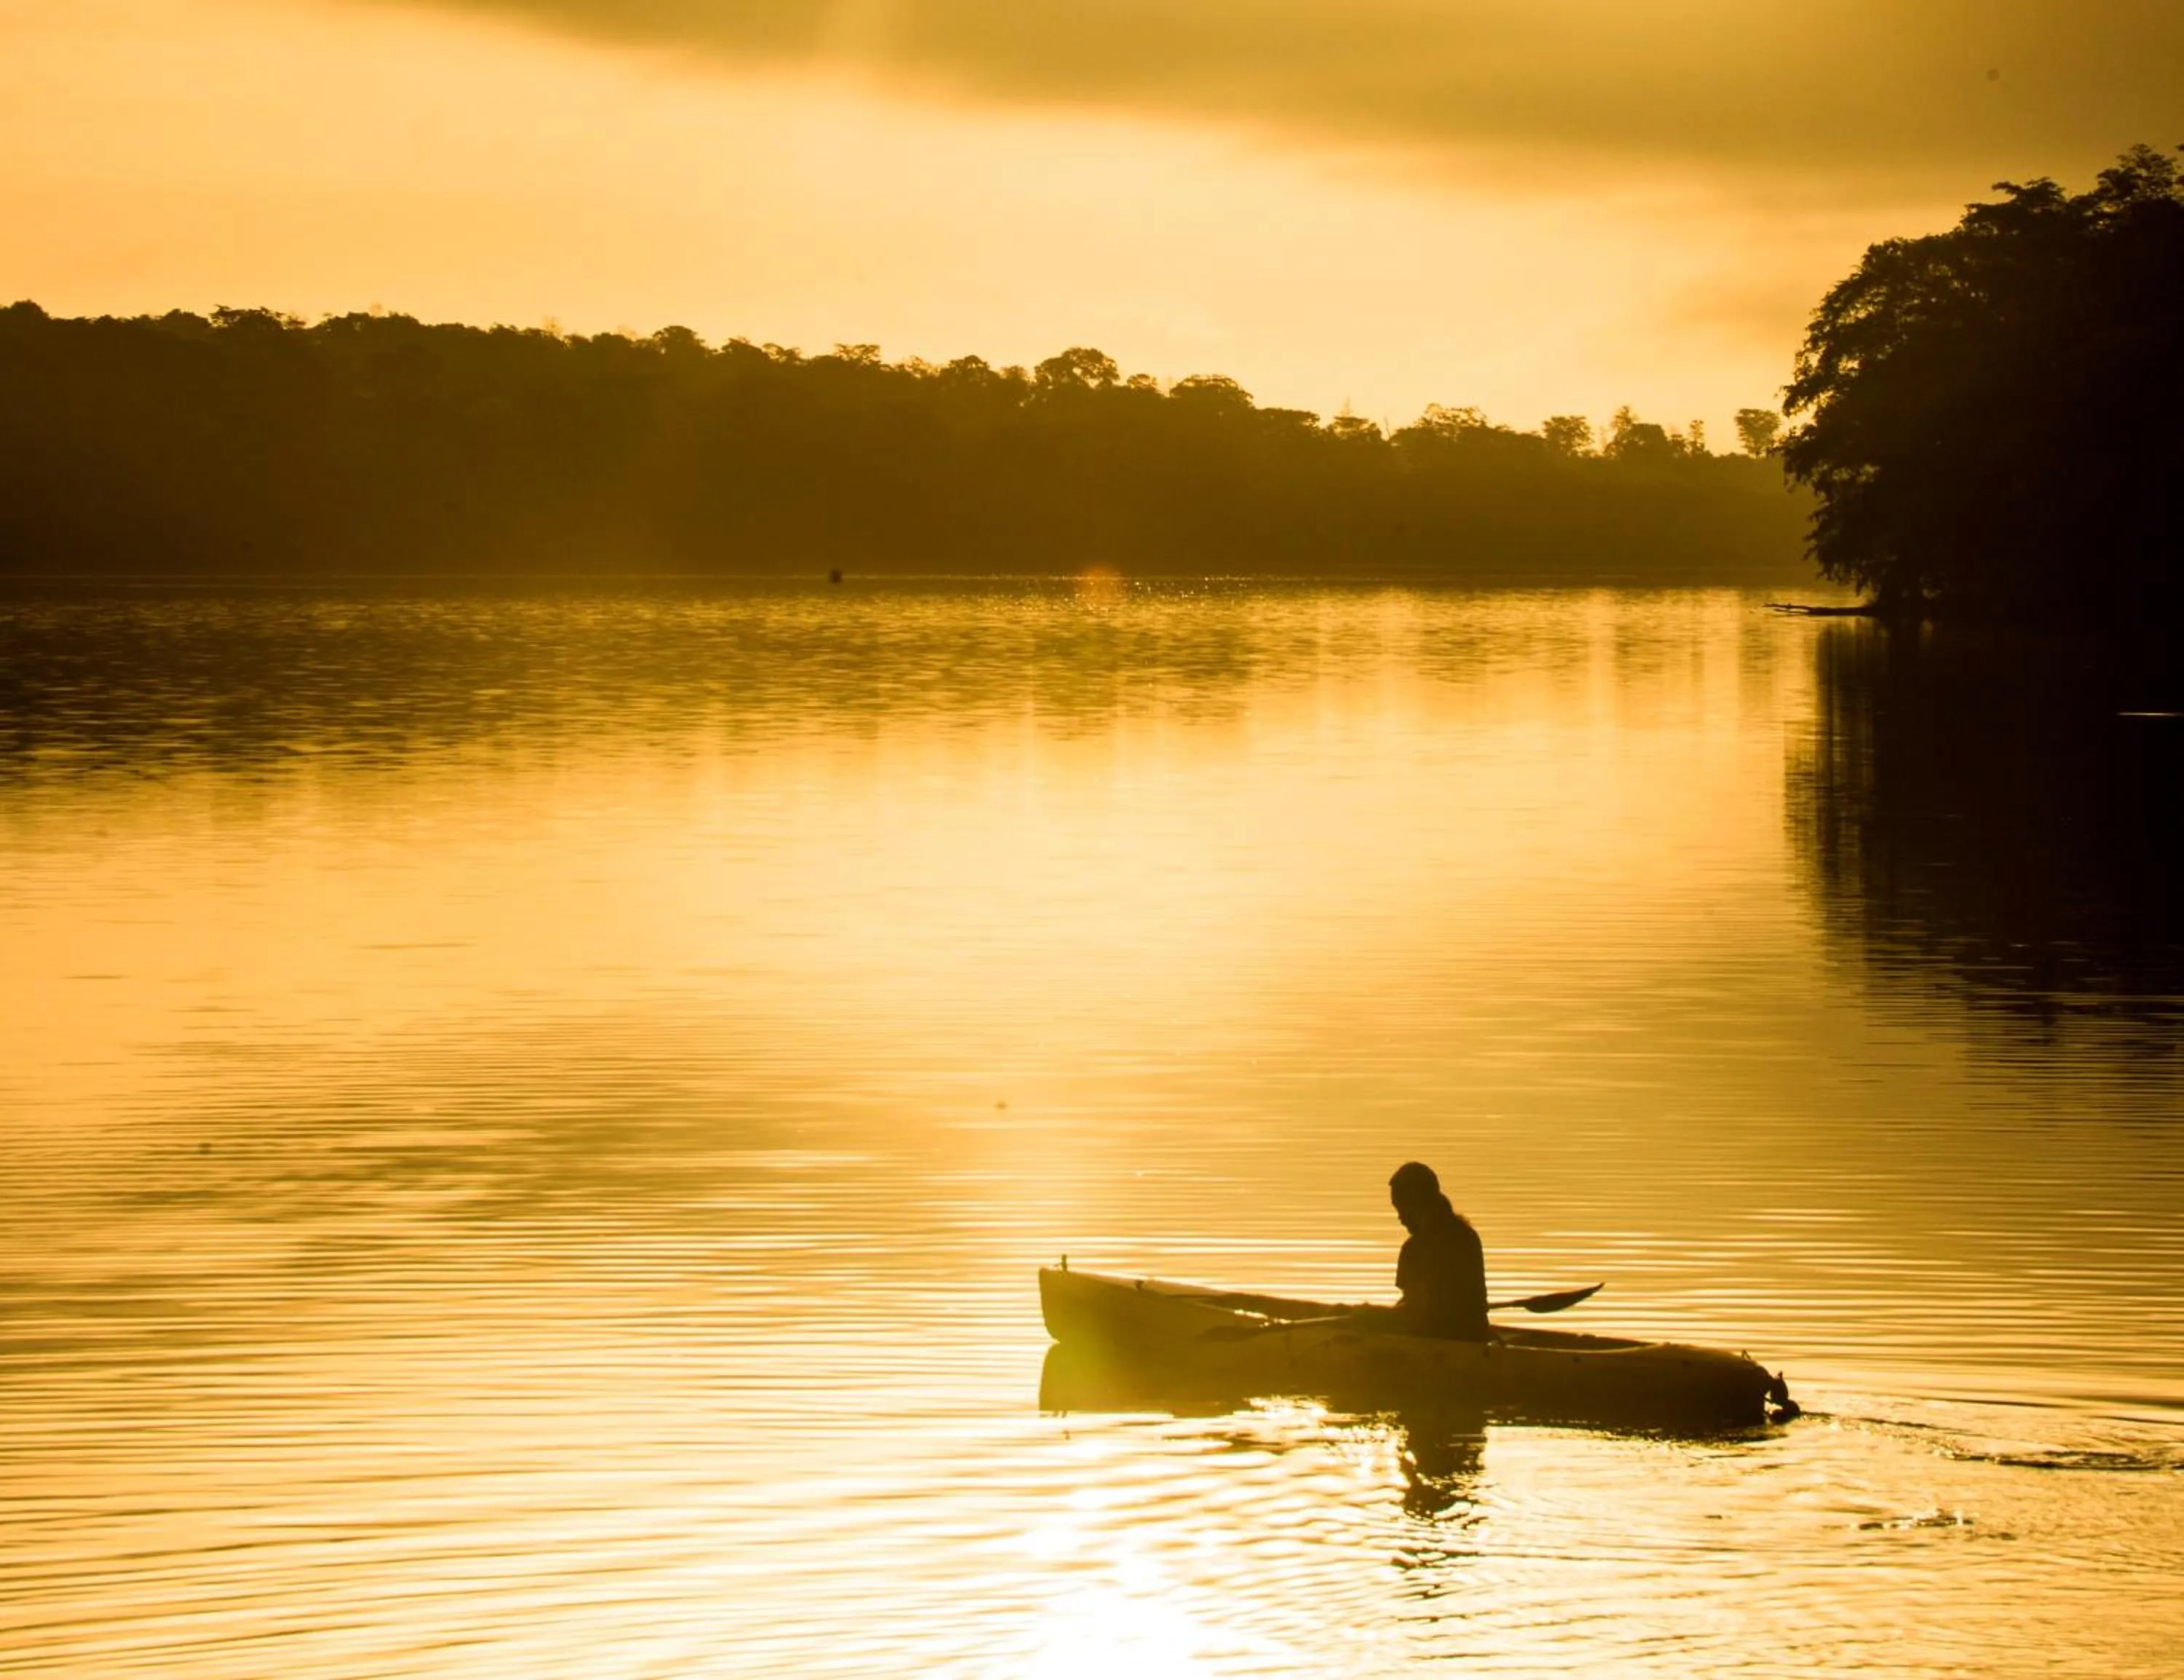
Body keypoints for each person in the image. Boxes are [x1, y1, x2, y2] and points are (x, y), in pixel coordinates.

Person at [1387, 1161, 1488, 1341]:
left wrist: (1370, 1314)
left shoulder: (1415, 1249)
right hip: (1475, 1338)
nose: (1400, 1218)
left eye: (1401, 1208)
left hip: (1436, 1341)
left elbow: (1414, 1314)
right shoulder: (1468, 1236)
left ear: (1415, 1204)